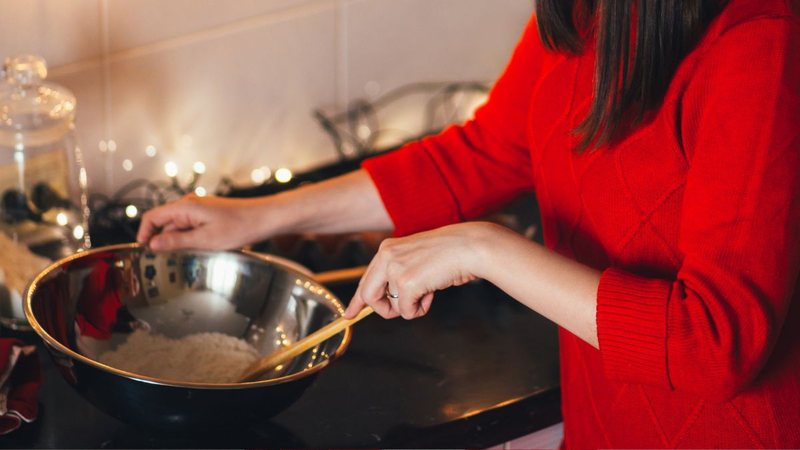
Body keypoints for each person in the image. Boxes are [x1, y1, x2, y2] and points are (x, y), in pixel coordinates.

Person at [137, 0, 800, 447]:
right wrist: (256, 217)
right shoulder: (588, 13)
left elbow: (715, 343)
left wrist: (484, 249)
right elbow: (483, 154)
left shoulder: (762, 44)